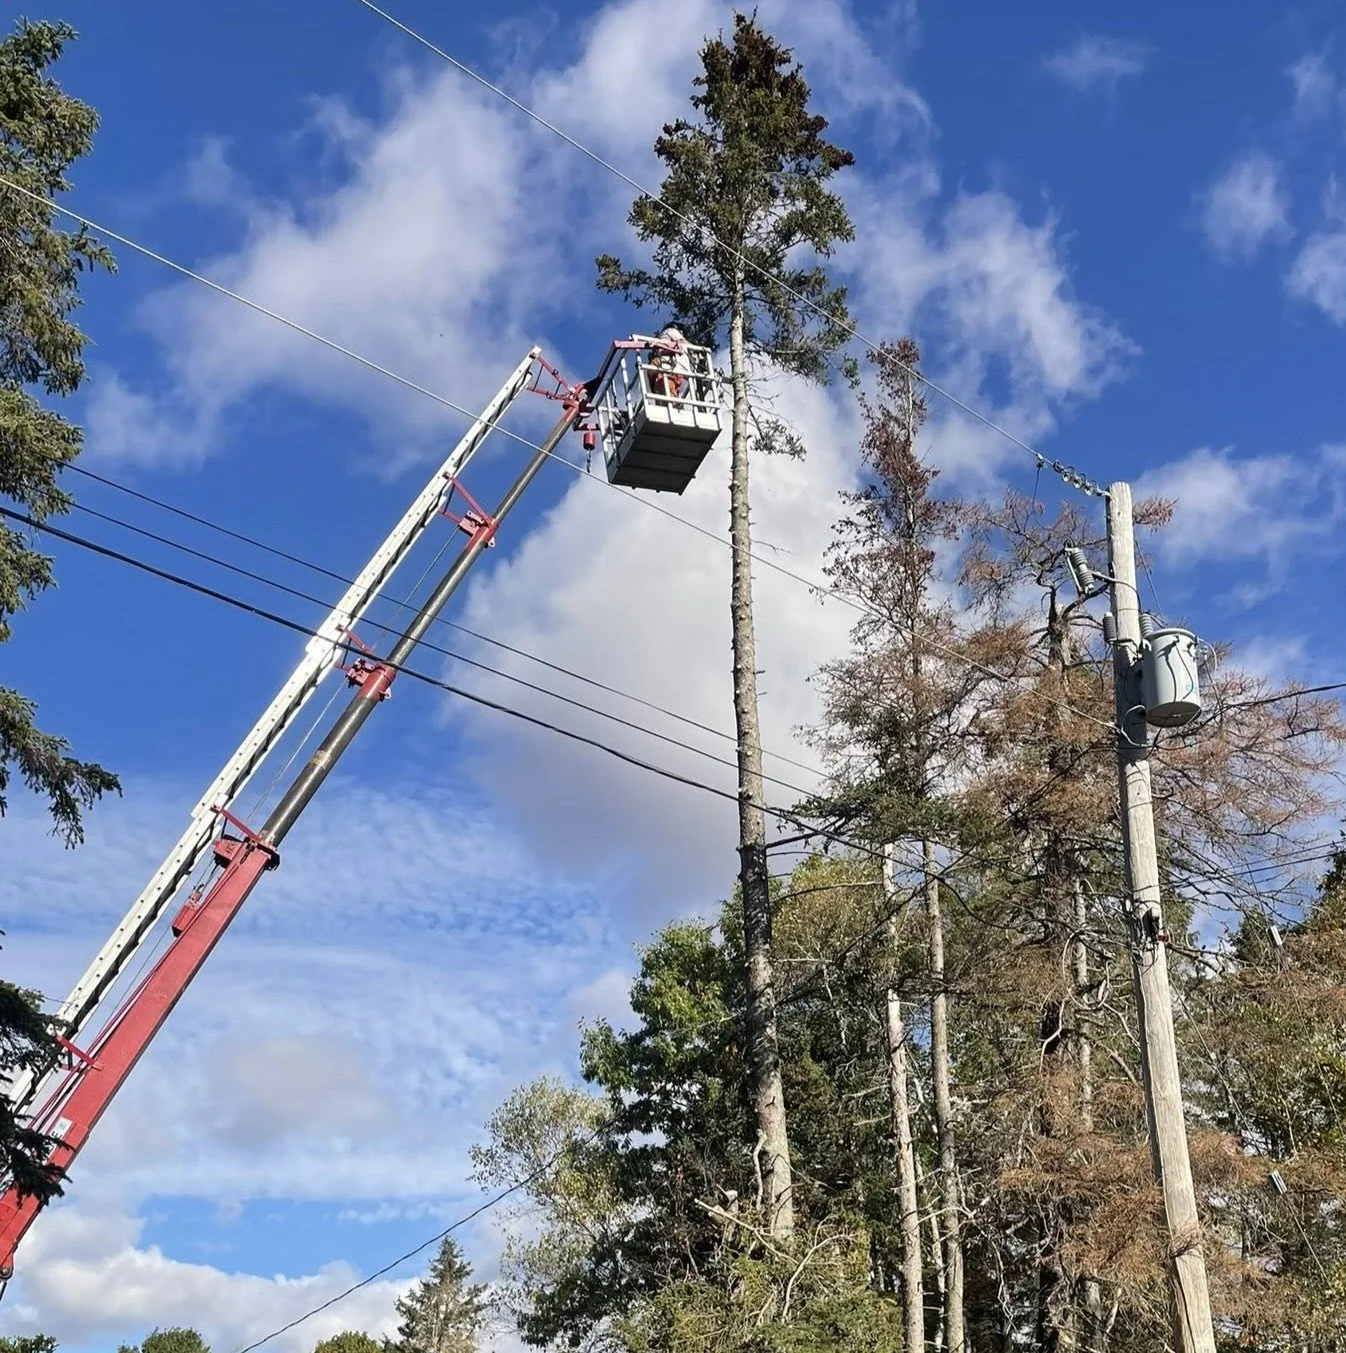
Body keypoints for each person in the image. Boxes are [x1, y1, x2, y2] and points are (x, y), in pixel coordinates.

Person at [648, 325, 692, 401]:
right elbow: (683, 343)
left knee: (663, 393)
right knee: (669, 390)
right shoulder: (671, 331)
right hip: (667, 366)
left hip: (663, 369)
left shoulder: (662, 336)